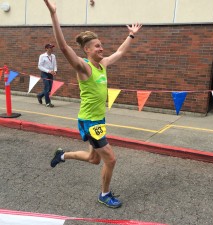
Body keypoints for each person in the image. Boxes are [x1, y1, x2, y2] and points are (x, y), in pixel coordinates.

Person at [44, 0, 142, 208]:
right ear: (87, 49)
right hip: (90, 121)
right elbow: (63, 47)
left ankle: (62, 155)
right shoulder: (84, 67)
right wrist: (53, 14)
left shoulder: (103, 64)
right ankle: (104, 195)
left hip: (98, 119)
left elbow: (120, 52)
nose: (102, 48)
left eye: (101, 45)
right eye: (97, 46)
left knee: (93, 158)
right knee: (111, 159)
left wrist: (131, 35)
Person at [37, 43, 57, 107]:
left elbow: (55, 64)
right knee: (47, 87)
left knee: (50, 88)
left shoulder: (53, 56)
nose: (51, 49)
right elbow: (40, 66)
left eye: (52, 48)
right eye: (50, 48)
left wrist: (55, 71)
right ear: (46, 49)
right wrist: (48, 71)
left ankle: (39, 95)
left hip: (51, 73)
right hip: (44, 73)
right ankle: (48, 103)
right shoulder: (42, 56)